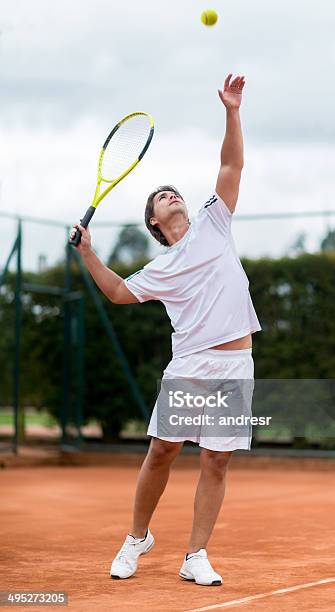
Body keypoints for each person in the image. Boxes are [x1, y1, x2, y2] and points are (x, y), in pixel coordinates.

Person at [70, 73, 261, 586]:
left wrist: (232, 110)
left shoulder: (214, 221)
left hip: (235, 363)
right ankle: (137, 538)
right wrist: (88, 254)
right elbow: (115, 292)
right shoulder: (158, 270)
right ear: (155, 223)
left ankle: (195, 555)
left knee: (216, 462)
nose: (171, 195)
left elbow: (231, 164)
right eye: (161, 197)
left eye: (173, 191)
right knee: (163, 449)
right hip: (192, 364)